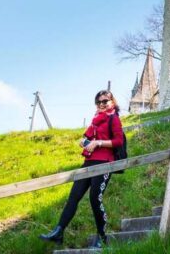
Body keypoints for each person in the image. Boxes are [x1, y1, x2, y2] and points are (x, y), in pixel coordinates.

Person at [39, 90, 124, 248]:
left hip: (104, 163)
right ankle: (58, 232)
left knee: (94, 199)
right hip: (89, 162)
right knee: (73, 197)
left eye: (105, 101)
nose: (101, 104)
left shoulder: (114, 119)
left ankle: (102, 237)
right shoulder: (95, 121)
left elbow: (118, 141)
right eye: (98, 102)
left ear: (112, 102)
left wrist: (98, 143)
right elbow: (87, 137)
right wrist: (85, 141)